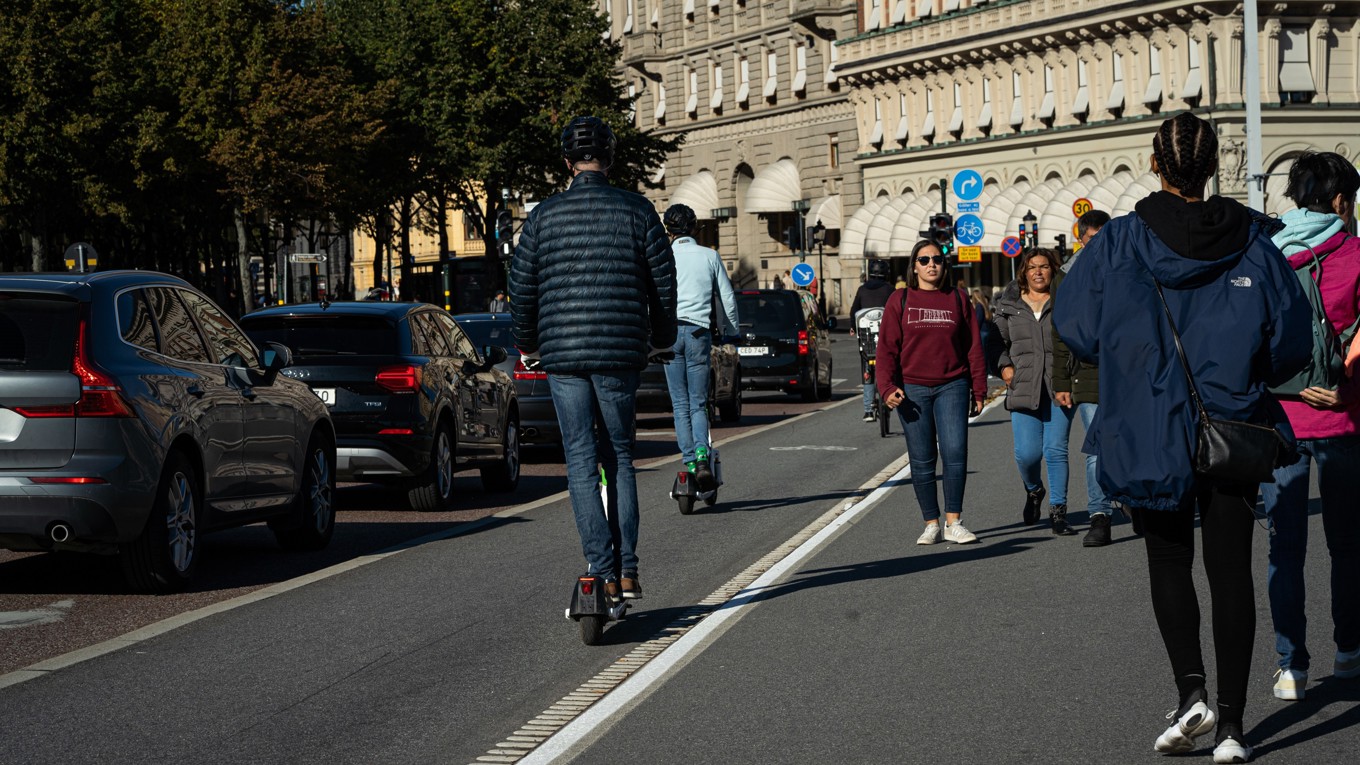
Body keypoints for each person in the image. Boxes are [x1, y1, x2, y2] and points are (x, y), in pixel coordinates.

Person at [1055, 112, 1309, 763]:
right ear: (1213, 162)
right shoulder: (1254, 240)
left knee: (1168, 562)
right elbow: (1289, 343)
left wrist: (1129, 351)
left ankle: (1190, 691)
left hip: (1145, 423)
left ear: (1154, 162)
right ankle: (1231, 725)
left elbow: (1076, 324)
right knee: (1231, 571)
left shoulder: (1117, 242)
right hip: (1233, 422)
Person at [510, 115, 677, 603]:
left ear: (566, 162)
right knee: (620, 457)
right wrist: (660, 338)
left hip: (562, 354)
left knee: (581, 462)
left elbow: (522, 288)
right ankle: (627, 570)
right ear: (611, 159)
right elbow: (662, 285)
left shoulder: (543, 216)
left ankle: (599, 568)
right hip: (621, 350)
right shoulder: (638, 209)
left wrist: (528, 345)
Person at [1260, 151, 1360, 702]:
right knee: (1346, 544)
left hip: (1280, 417)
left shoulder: (1267, 256)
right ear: (1342, 200)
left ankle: (1290, 665)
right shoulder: (1356, 252)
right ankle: (1349, 649)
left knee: (1285, 548)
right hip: (1344, 413)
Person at [876, 240, 987, 546]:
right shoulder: (900, 300)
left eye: (936, 259)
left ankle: (954, 521)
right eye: (923, 260)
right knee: (922, 458)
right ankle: (931, 523)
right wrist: (886, 387)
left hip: (953, 384)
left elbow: (973, 348)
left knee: (954, 452)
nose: (931, 265)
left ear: (944, 264)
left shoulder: (958, 298)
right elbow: (886, 350)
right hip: (912, 388)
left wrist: (979, 389)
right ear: (914, 267)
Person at [994, 248, 1077, 535]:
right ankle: (1034, 490)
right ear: (1024, 272)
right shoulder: (1010, 305)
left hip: (1059, 386)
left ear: (1053, 271)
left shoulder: (1065, 302)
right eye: (1032, 267)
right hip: (1023, 386)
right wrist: (1005, 366)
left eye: (1044, 267)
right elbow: (995, 341)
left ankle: (1058, 512)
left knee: (1055, 450)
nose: (1038, 272)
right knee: (1027, 455)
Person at [1051, 209, 1119, 547]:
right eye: (1093, 238)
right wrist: (1061, 380)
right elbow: (1060, 331)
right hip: (1088, 371)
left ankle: (1132, 500)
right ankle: (1099, 516)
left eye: (1104, 237)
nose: (1099, 245)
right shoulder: (1067, 276)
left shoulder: (1126, 265)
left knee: (1127, 440)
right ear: (1080, 238)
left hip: (1127, 370)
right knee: (1096, 448)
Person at [661, 203, 739, 490]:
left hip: (669, 334)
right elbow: (727, 297)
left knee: (679, 403)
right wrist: (731, 331)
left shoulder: (663, 256)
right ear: (694, 228)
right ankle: (703, 454)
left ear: (668, 230)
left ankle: (690, 460)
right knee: (697, 402)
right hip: (698, 332)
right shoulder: (710, 256)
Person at [850, 258, 895, 422]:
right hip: (885, 340)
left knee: (867, 372)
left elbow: (853, 311)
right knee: (892, 366)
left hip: (867, 341)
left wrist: (852, 327)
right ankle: (890, 397)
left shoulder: (862, 290)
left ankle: (868, 410)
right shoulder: (890, 289)